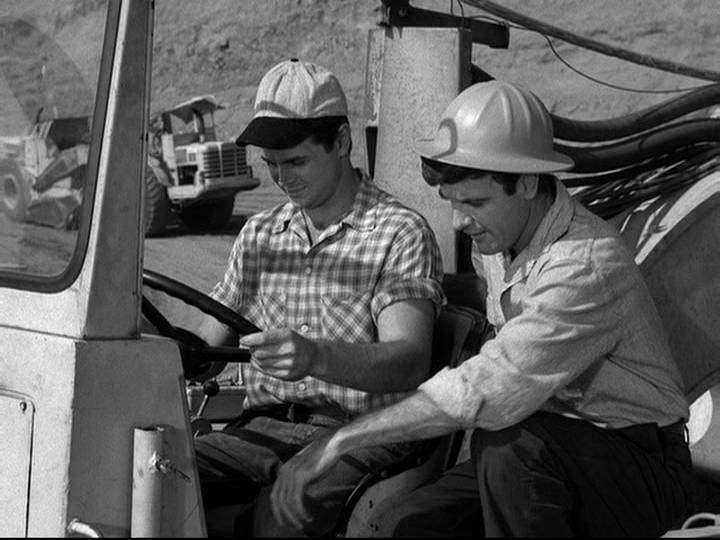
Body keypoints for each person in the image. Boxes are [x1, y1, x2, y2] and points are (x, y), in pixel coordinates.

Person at [269, 80, 694, 537]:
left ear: (527, 183)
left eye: (475, 202)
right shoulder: (495, 241)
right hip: (542, 444)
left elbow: (491, 388)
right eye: (452, 202)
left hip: (638, 464)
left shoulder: (584, 264)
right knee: (405, 525)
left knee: (505, 444)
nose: (460, 221)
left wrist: (340, 439)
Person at [192, 58, 446, 537]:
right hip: (261, 428)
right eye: (271, 165)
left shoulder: (399, 233)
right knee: (150, 478)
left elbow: (409, 360)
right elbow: (203, 349)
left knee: (279, 520)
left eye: (296, 162)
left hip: (360, 432)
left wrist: (315, 356)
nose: (282, 179)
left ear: (342, 142)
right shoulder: (260, 235)